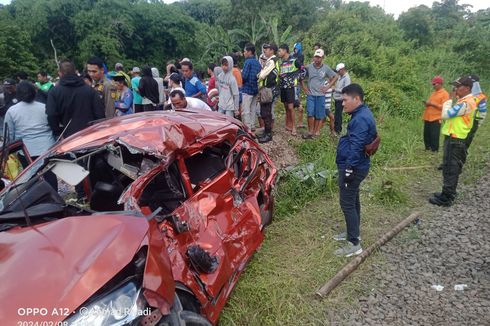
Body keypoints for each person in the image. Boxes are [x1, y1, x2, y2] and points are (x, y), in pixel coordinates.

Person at [334, 83, 377, 257]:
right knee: (353, 200)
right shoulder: (360, 114)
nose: (342, 104)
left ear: (356, 99)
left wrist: (349, 170)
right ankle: (353, 231)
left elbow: (357, 146)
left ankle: (354, 243)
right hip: (357, 165)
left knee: (347, 203)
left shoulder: (360, 119)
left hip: (354, 166)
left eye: (345, 100)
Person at [429, 75, 477, 207]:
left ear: (467, 88)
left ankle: (446, 197)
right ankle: (449, 192)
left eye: (458, 86)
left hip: (455, 139)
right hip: (454, 137)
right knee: (450, 166)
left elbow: (445, 114)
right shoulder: (464, 101)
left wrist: (448, 100)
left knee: (451, 168)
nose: (455, 89)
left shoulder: (466, 103)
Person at [4, 81, 57, 190]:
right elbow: (53, 125)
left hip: (25, 150)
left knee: (31, 177)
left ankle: (36, 199)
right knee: (50, 173)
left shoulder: (12, 111)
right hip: (47, 147)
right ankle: (55, 197)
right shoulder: (44, 107)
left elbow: (9, 134)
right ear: (34, 92)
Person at [46, 59, 105, 138]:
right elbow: (100, 114)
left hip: (69, 137)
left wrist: (58, 133)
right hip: (91, 134)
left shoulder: (54, 92)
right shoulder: (89, 90)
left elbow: (51, 115)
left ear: (60, 73)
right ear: (75, 71)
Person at [301, 48, 337, 138]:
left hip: (321, 95)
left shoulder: (326, 68)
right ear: (313, 57)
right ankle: (310, 131)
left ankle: (316, 132)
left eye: (319, 57)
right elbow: (300, 76)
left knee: (319, 115)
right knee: (310, 113)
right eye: (315, 57)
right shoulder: (309, 67)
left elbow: (335, 76)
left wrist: (328, 87)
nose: (317, 59)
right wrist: (304, 88)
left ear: (322, 58)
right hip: (311, 95)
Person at [277, 44, 303, 135]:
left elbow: (303, 70)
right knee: (286, 107)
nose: (279, 53)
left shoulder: (294, 60)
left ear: (285, 51)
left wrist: (294, 78)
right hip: (283, 87)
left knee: (291, 107)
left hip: (291, 87)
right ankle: (288, 125)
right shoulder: (281, 63)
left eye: (280, 51)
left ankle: (294, 128)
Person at [257, 43, 279, 143]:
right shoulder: (271, 61)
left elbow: (262, 75)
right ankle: (266, 132)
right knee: (264, 111)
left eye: (267, 49)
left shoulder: (272, 61)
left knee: (266, 111)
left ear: (272, 51)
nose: (265, 50)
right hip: (267, 89)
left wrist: (259, 76)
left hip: (269, 89)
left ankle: (268, 134)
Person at [422, 76, 450, 152]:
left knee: (434, 135)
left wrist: (431, 103)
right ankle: (427, 148)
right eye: (433, 84)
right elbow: (431, 103)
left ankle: (434, 150)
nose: (433, 86)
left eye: (434, 84)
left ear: (440, 84)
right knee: (426, 134)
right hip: (428, 117)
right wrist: (427, 104)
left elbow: (444, 107)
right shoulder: (434, 93)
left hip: (436, 118)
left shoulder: (445, 94)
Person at [241, 43, 262, 132]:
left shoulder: (247, 62)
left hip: (247, 89)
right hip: (255, 89)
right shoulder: (258, 63)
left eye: (245, 51)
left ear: (249, 52)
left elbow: (244, 76)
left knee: (246, 110)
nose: (244, 53)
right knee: (253, 108)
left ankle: (247, 128)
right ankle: (253, 126)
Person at [465, 74, 487, 148]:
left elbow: (483, 111)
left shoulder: (480, 97)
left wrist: (478, 124)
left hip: (474, 121)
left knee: (467, 139)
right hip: (464, 120)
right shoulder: (466, 94)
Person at [333, 63, 349, 134]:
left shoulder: (346, 78)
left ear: (342, 69)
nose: (338, 73)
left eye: (339, 71)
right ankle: (336, 128)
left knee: (338, 115)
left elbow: (346, 89)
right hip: (337, 98)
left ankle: (338, 130)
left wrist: (335, 89)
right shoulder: (340, 76)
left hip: (341, 99)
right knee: (336, 114)